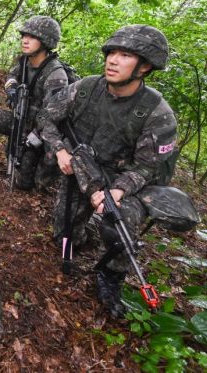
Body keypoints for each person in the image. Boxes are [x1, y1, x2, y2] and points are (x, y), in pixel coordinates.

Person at [39, 24, 178, 318]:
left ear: (144, 67)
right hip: (82, 168)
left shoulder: (157, 112)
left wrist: (118, 190)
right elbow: (47, 117)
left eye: (125, 55)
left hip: (123, 180)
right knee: (63, 237)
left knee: (119, 222)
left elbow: (149, 167)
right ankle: (86, 230)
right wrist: (60, 150)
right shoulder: (86, 88)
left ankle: (110, 275)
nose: (112, 60)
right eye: (111, 52)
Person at [0, 16, 70, 192]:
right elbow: (11, 77)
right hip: (21, 120)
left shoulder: (56, 75)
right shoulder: (24, 61)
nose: (25, 40)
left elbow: (53, 118)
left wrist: (31, 139)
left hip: (42, 133)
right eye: (24, 35)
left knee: (26, 183)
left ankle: (45, 175)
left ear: (45, 42)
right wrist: (12, 91)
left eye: (32, 37)